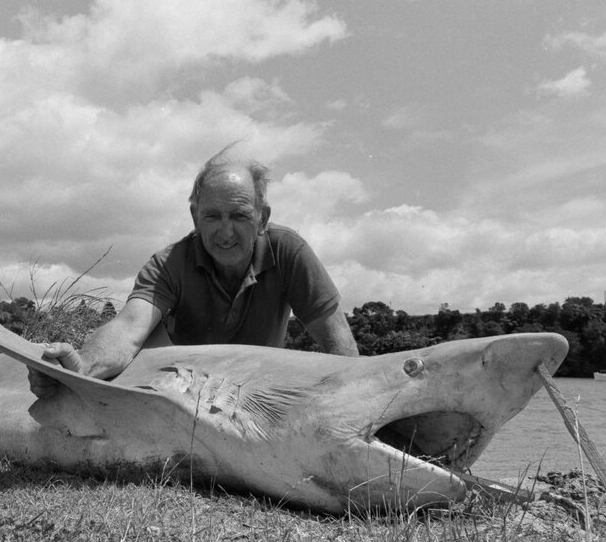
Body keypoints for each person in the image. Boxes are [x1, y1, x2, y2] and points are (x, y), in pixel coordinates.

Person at [28, 141, 359, 399]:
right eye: (212, 216)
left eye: (239, 216)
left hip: (257, 393)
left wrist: (351, 401)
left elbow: (340, 346)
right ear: (195, 217)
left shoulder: (289, 251)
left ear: (262, 218)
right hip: (178, 392)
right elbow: (128, 329)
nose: (225, 232)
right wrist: (80, 366)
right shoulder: (168, 263)